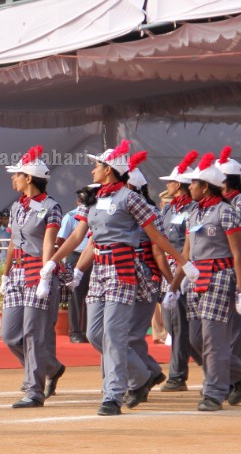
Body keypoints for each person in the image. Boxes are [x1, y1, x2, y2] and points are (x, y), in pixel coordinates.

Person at [47, 140, 194, 416]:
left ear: (110, 169)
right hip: (100, 269)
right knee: (94, 333)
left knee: (114, 335)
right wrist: (57, 263)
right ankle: (141, 377)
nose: (93, 170)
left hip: (123, 269)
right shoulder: (92, 198)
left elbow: (156, 237)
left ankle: (112, 395)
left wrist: (182, 262)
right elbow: (81, 237)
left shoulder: (131, 198)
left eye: (97, 166)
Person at [167, 152, 241, 411]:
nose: (189, 187)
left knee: (213, 339)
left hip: (220, 277)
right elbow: (186, 252)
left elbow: (238, 254)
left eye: (193, 183)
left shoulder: (226, 212)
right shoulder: (194, 213)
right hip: (197, 278)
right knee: (195, 339)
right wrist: (173, 286)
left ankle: (214, 392)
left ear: (206, 187)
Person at [1, 145, 67, 408]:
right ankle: (50, 366)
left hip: (38, 272)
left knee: (33, 333)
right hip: (17, 273)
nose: (13, 178)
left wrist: (45, 275)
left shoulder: (52, 207)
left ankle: (34, 391)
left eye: (16, 174)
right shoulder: (16, 206)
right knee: (10, 334)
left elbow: (49, 243)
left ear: (29, 178)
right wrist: (4, 275)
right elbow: (11, 242)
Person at [122, 156, 171, 407]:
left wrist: (169, 283)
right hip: (125, 276)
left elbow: (158, 250)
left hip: (146, 279)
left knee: (131, 334)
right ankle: (150, 371)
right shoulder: (120, 208)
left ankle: (142, 378)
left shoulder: (149, 212)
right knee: (130, 334)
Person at [157, 151, 202, 391]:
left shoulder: (194, 209)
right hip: (169, 266)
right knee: (170, 322)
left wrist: (184, 270)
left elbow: (191, 244)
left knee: (181, 325)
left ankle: (177, 375)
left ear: (179, 185)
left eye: (171, 182)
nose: (168, 185)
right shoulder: (168, 209)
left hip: (185, 268)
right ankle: (214, 370)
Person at [217, 146, 241, 383]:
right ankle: (227, 372)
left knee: (235, 327)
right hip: (217, 262)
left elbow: (232, 220)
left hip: (234, 263)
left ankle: (237, 372)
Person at [57, 187, 94, 343]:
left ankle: (88, 330)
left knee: (91, 295)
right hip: (75, 256)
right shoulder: (71, 217)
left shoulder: (95, 214)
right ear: (77, 201)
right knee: (76, 295)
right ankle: (75, 332)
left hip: (92, 256)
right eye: (82, 201)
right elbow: (60, 239)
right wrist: (60, 259)